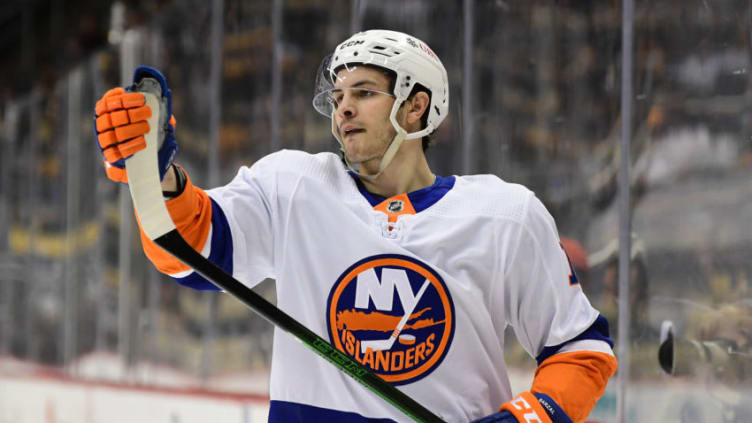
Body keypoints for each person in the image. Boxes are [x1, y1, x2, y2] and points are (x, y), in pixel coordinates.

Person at [94, 29, 617, 423]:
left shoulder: (505, 215)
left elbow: (581, 349)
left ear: (416, 107)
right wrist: (156, 175)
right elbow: (191, 253)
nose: (344, 106)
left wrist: (528, 417)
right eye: (339, 95)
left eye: (364, 92)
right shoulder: (295, 186)